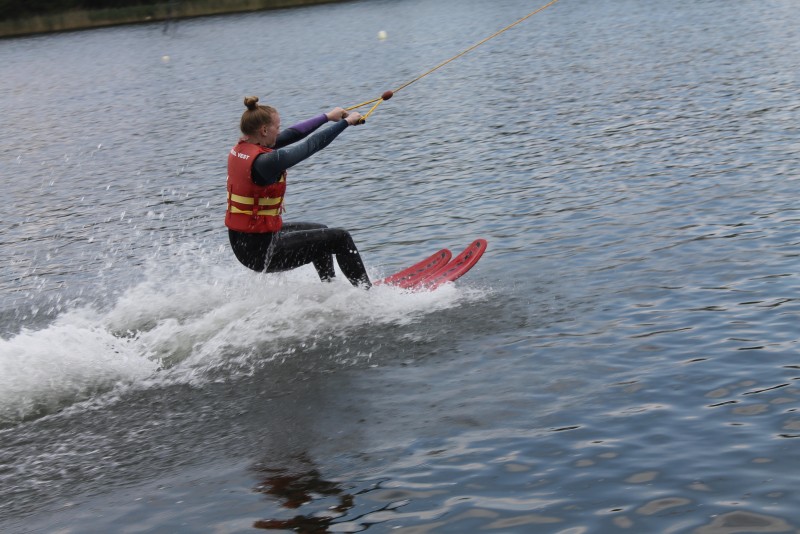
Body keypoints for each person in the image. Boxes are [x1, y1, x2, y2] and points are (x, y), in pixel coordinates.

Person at [225, 96, 372, 288]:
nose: (279, 132)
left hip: (249, 242)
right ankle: (367, 295)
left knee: (322, 230)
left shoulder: (245, 147)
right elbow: (311, 145)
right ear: (263, 130)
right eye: (277, 128)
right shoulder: (265, 162)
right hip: (262, 252)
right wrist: (346, 122)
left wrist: (327, 117)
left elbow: (292, 134)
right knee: (340, 238)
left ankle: (329, 289)